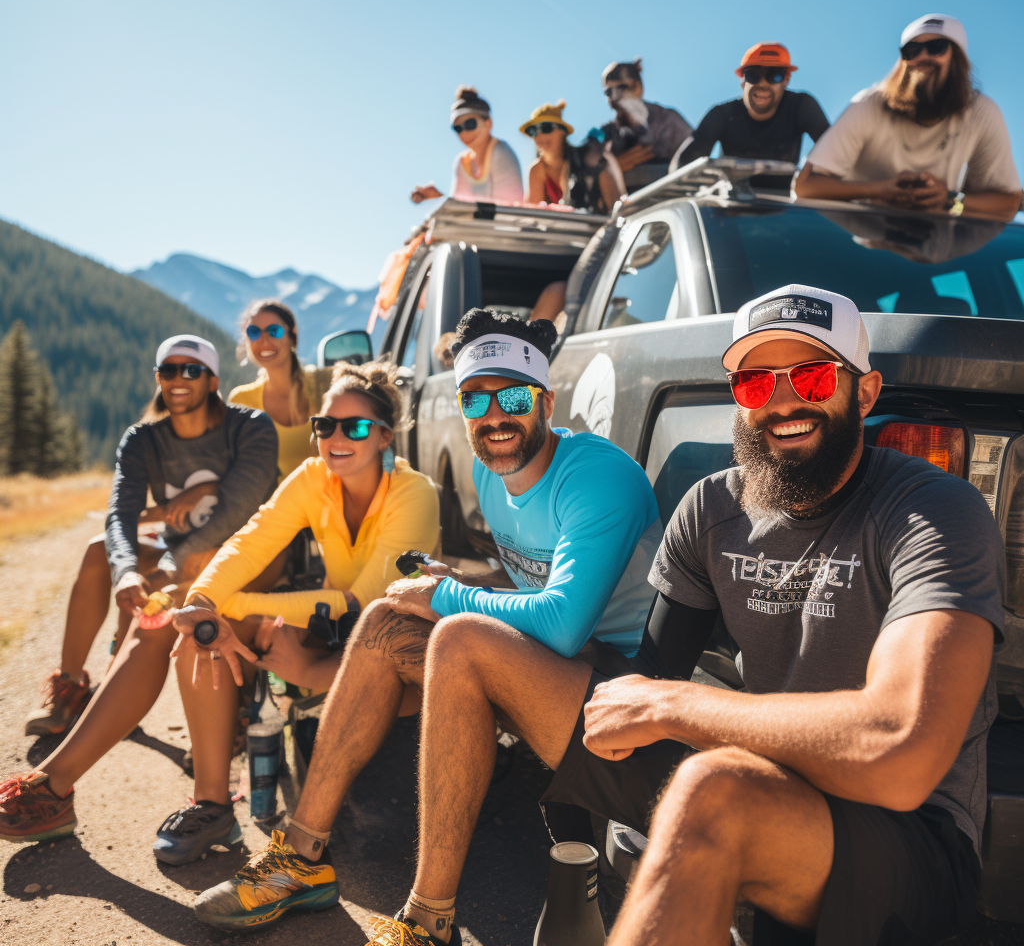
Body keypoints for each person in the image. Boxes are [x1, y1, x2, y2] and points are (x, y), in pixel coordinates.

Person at [379, 283, 1003, 946]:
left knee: (713, 785)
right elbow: (648, 674)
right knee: (466, 642)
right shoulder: (712, 509)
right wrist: (522, 693)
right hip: (757, 772)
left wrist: (675, 708)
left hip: (906, 831)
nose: (784, 401)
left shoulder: (932, 512)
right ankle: (427, 919)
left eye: (815, 376)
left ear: (866, 391)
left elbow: (902, 752)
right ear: (735, 395)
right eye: (757, 383)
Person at [191, 308, 662, 935]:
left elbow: (562, 624)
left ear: (546, 400)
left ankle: (427, 920)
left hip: (624, 691)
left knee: (458, 634)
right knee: (388, 618)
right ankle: (301, 856)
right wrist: (452, 592)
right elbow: (531, 595)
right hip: (560, 671)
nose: (493, 417)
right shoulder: (492, 476)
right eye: (474, 401)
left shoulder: (596, 476)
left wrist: (448, 597)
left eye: (512, 396)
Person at [2, 335, 281, 856]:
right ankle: (70, 692)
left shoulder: (251, 427)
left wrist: (172, 566)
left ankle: (55, 784)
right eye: (167, 369)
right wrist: (128, 572)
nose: (177, 379)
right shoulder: (142, 439)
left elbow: (238, 508)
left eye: (191, 370)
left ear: (214, 380)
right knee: (100, 555)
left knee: (164, 615)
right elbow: (120, 514)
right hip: (183, 555)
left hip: (250, 560)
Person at [173, 360, 440, 648]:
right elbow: (250, 544)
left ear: (384, 436)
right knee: (206, 641)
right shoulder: (312, 477)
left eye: (356, 427)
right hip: (335, 633)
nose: (336, 438)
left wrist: (231, 606)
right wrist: (200, 601)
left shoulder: (414, 494)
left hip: (400, 640)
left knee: (258, 634)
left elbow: (362, 604)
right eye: (325, 425)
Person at [795, 13, 1023, 221]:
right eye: (911, 50)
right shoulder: (869, 105)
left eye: (936, 47)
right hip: (861, 248)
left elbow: (1008, 201)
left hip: (934, 253)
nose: (922, 57)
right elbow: (806, 186)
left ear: (958, 58)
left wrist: (950, 200)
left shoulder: (981, 113)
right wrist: (881, 190)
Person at [673, 42, 829, 169]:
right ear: (742, 80)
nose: (762, 84)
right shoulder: (722, 115)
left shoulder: (801, 106)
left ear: (786, 80)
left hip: (787, 203)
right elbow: (681, 165)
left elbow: (835, 154)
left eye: (774, 76)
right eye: (753, 75)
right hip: (730, 203)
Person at [228, 299, 326, 485]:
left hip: (331, 509)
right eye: (254, 332)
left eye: (274, 331)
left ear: (292, 333)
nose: (264, 341)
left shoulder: (324, 385)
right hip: (275, 512)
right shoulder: (241, 400)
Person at [410, 86, 523, 205]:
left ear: (488, 123)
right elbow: (459, 208)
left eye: (470, 124)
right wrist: (438, 196)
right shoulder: (461, 161)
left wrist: (443, 199)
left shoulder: (501, 152)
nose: (464, 133)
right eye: (457, 128)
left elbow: (508, 208)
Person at [600, 58, 693, 191]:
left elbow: (695, 162)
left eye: (621, 88)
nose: (614, 98)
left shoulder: (667, 120)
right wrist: (611, 169)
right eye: (608, 92)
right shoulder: (606, 134)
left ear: (638, 87)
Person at [520, 99, 624, 213]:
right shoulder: (537, 169)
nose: (539, 136)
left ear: (563, 132)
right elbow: (534, 214)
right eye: (533, 131)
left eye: (546, 128)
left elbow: (617, 209)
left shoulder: (593, 160)